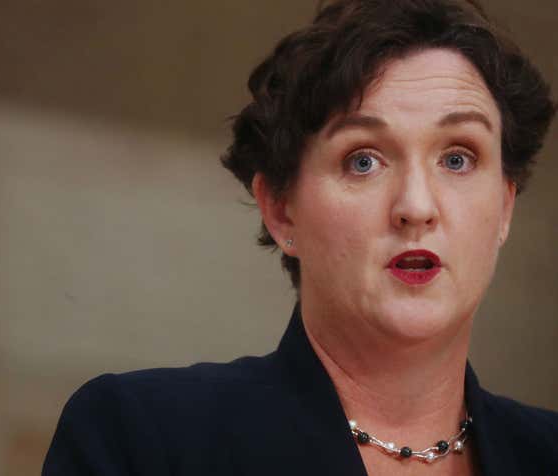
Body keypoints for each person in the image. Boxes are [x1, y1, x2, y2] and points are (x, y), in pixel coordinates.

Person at [43, 1, 557, 475]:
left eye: (457, 159)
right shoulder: (144, 439)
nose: (416, 208)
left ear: (505, 207)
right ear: (281, 211)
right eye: (363, 161)